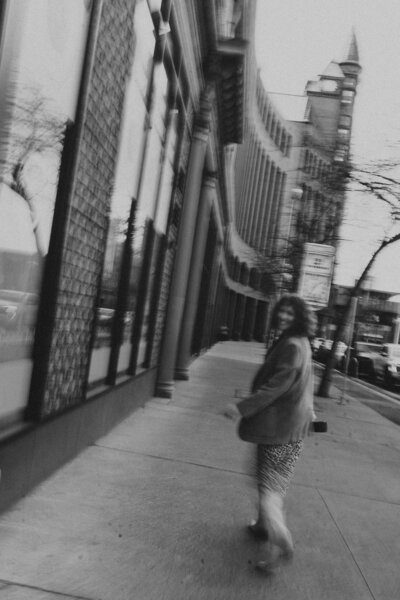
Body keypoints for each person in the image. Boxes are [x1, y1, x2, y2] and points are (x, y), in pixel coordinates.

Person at [234, 294, 315, 571]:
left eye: (290, 314)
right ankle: (261, 527)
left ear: (300, 318)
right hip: (291, 429)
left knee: (270, 487)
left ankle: (281, 539)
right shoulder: (301, 341)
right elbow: (304, 386)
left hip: (280, 430)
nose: (283, 317)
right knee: (266, 480)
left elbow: (276, 387)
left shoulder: (292, 345)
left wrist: (241, 408)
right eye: (281, 312)